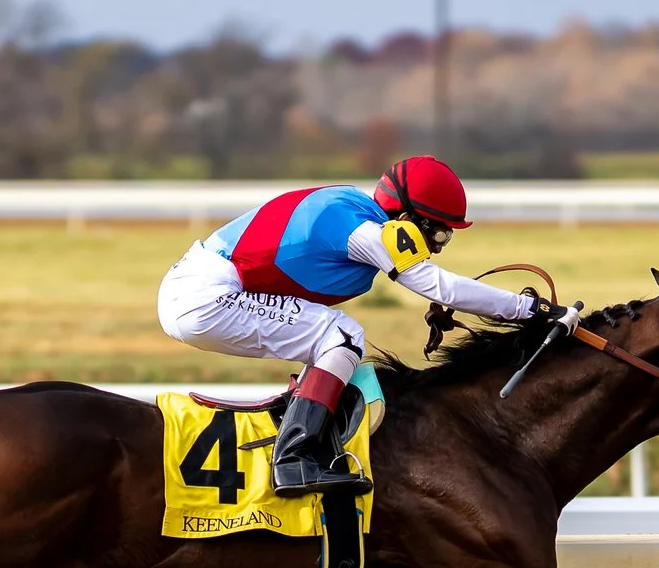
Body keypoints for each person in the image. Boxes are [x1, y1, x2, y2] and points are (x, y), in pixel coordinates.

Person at [157, 155, 550, 497]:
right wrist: (527, 309)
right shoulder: (364, 229)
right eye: (440, 232)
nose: (438, 245)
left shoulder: (358, 215)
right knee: (341, 336)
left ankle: (305, 430)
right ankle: (295, 457)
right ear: (408, 217)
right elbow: (438, 283)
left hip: (198, 289)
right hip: (206, 296)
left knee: (329, 337)